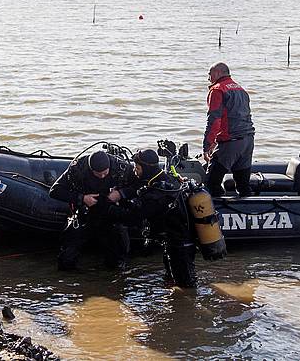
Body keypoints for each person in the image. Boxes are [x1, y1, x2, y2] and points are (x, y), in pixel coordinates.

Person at [95, 149, 198, 288]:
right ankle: (176, 303)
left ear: (147, 168)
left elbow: (134, 217)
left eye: (137, 168)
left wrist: (108, 209)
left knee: (186, 286)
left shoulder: (158, 192)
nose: (135, 171)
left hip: (180, 244)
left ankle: (188, 306)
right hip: (173, 240)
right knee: (173, 279)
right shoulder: (163, 178)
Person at [49, 150, 135, 271]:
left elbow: (138, 185)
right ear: (91, 169)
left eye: (105, 173)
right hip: (85, 213)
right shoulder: (77, 169)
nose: (102, 177)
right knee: (67, 258)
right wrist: (82, 198)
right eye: (98, 174)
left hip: (111, 213)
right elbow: (55, 191)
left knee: (117, 258)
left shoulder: (120, 168)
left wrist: (121, 193)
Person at [203, 62, 255, 197]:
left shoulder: (217, 90)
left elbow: (214, 120)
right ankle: (250, 211)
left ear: (218, 73)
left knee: (211, 182)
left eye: (210, 74)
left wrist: (207, 145)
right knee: (243, 184)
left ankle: (215, 213)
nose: (208, 78)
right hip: (247, 141)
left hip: (230, 142)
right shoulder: (241, 90)